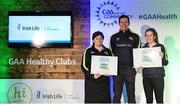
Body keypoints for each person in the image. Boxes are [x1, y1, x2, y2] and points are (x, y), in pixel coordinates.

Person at [110, 15, 141, 103]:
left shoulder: (135, 37)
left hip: (130, 70)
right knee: (117, 95)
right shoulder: (114, 37)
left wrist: (136, 65)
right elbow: (111, 53)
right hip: (117, 70)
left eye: (126, 22)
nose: (124, 24)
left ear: (129, 23)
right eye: (122, 22)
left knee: (131, 95)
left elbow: (138, 53)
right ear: (119, 23)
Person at [81, 31, 111, 103]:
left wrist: (110, 72)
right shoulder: (88, 50)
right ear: (93, 40)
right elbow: (83, 66)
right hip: (91, 82)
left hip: (104, 82)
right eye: (97, 38)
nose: (99, 40)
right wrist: (92, 75)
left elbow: (112, 65)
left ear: (103, 40)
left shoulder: (108, 51)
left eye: (101, 38)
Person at [142, 28, 168, 103]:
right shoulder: (143, 49)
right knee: (149, 100)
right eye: (146, 35)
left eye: (150, 35)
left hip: (158, 77)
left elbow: (166, 63)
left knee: (159, 100)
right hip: (146, 77)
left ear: (154, 37)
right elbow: (141, 64)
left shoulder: (161, 47)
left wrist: (162, 57)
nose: (148, 37)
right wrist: (139, 65)